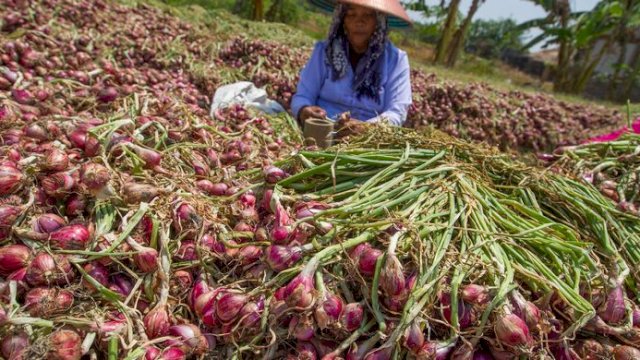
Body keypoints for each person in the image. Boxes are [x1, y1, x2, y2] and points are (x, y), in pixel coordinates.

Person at [291, 0, 413, 135]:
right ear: (342, 19)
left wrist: (367, 128)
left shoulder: (396, 60)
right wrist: (304, 110)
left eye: (368, 15)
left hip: (367, 141)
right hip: (320, 131)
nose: (359, 22)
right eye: (351, 15)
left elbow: (397, 112)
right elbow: (303, 95)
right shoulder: (324, 51)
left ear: (379, 21)